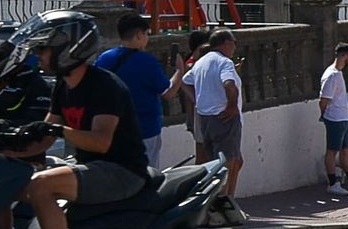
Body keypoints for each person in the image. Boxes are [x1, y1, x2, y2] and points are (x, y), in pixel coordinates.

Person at [6, 11, 150, 229]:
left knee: (41, 186)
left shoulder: (104, 86)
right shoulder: (63, 85)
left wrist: (58, 129)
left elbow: (100, 142)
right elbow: (43, 139)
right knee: (2, 182)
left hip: (122, 170)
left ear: (68, 48)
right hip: (92, 167)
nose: (39, 55)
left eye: (44, 48)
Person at [95, 12, 185, 166]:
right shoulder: (147, 62)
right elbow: (168, 93)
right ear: (138, 35)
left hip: (112, 130)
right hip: (144, 130)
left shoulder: (104, 58)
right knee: (146, 176)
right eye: (146, 34)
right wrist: (179, 71)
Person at [183, 28, 246, 199]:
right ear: (226, 43)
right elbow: (229, 85)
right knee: (228, 163)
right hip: (224, 118)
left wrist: (198, 101)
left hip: (206, 118)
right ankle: (223, 202)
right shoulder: (224, 62)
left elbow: (185, 81)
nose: (235, 47)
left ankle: (222, 201)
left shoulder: (202, 62)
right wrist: (232, 106)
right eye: (234, 42)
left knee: (220, 162)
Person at [319, 42, 348, 195]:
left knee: (346, 151)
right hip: (335, 119)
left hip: (343, 118)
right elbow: (324, 100)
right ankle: (333, 183)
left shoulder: (338, 74)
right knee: (332, 151)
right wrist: (326, 116)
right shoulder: (332, 75)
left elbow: (339, 97)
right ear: (344, 55)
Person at [178, 29, 210, 163]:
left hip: (198, 113)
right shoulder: (192, 65)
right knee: (203, 154)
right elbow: (185, 84)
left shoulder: (197, 63)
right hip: (197, 114)